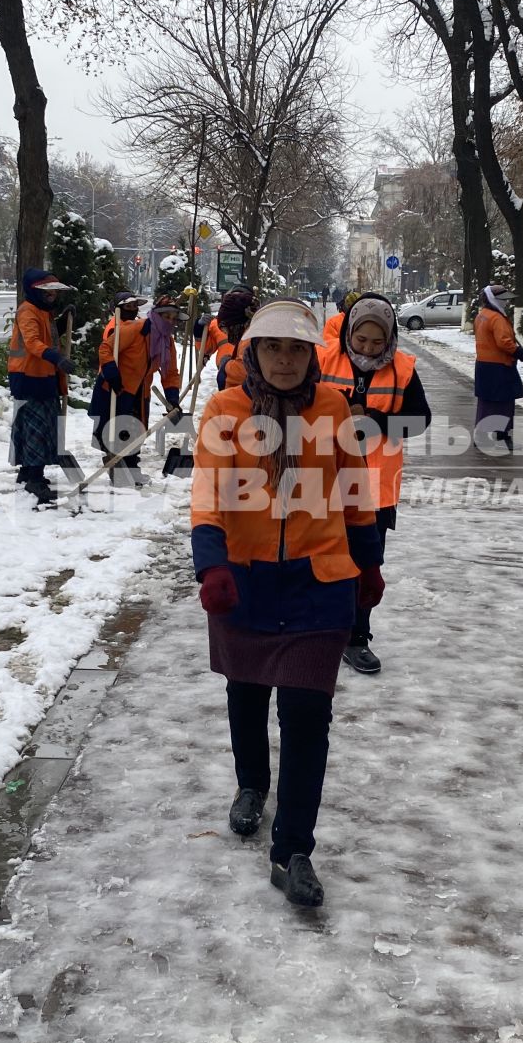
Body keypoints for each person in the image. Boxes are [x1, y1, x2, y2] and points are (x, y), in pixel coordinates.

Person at [192, 298, 383, 909]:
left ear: (311, 355)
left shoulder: (333, 408)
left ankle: (293, 850)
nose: (283, 360)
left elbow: (357, 492)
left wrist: (369, 564)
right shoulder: (225, 409)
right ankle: (252, 785)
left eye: (296, 349)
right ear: (252, 351)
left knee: (307, 717)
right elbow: (209, 495)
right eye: (272, 347)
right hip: (245, 581)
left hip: (317, 584)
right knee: (246, 695)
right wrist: (212, 564)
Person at [318, 293, 431, 675]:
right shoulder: (324, 359)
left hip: (375, 486)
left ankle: (356, 637)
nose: (367, 348)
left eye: (377, 342)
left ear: (390, 338)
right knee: (319, 555)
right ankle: (318, 629)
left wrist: (376, 421)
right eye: (361, 340)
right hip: (323, 480)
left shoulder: (402, 369)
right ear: (349, 332)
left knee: (366, 563)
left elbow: (420, 420)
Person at [95, 292, 181, 483]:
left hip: (140, 390)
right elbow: (105, 349)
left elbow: (170, 372)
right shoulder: (136, 329)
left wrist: (172, 397)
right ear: (156, 314)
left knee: (137, 430)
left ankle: (132, 467)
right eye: (166, 316)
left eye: (173, 318)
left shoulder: (167, 341)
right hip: (116, 387)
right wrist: (111, 371)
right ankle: (117, 468)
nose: (170, 321)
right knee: (116, 429)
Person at [8, 268, 76, 504]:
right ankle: (34, 478)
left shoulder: (42, 311)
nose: (52, 296)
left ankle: (27, 471)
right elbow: (33, 341)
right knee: (35, 427)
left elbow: (45, 333)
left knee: (39, 424)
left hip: (41, 375)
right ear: (34, 291)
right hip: (28, 376)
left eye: (54, 292)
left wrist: (60, 317)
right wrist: (57, 359)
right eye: (47, 292)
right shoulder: (28, 311)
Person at [473, 284, 523, 451]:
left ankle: (481, 436)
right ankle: (503, 437)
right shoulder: (496, 318)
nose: (506, 303)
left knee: (486, 402)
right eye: (503, 300)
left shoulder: (482, 315)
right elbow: (503, 342)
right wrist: (519, 352)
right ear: (493, 299)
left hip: (484, 366)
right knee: (505, 403)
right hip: (499, 367)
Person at [210, 287, 256, 392]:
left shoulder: (250, 339)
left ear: (233, 325)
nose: (227, 335)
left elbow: (243, 372)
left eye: (226, 330)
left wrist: (225, 366)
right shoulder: (250, 333)